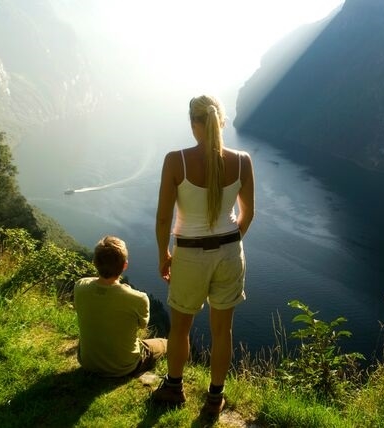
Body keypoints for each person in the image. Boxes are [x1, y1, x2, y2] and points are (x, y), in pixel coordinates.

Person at [152, 95, 255, 415]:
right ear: (220, 122)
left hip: (190, 254)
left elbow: (162, 219)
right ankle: (215, 398)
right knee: (222, 330)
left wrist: (163, 255)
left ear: (194, 124)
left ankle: (174, 387)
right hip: (229, 251)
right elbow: (248, 213)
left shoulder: (176, 160)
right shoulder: (242, 160)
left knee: (180, 328)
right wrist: (231, 241)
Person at [74, 236, 167, 377]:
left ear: (94, 262)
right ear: (125, 265)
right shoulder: (138, 298)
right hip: (125, 367)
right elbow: (143, 325)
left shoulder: (80, 286)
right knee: (166, 343)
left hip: (87, 362)